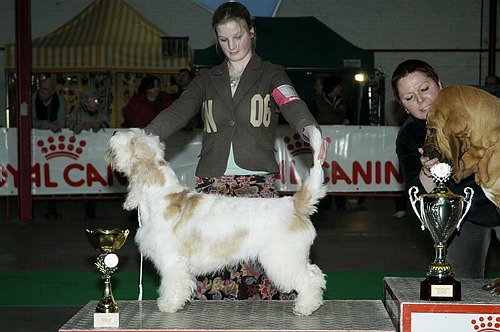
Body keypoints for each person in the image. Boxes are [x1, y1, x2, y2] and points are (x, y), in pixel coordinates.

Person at [144, 1, 328, 300]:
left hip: (257, 188)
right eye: (224, 39)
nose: (232, 45)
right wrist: (145, 137)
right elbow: (179, 111)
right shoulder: (206, 79)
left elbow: (291, 104)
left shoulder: (271, 74)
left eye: (238, 36)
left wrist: (310, 130)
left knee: (262, 277)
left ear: (251, 32)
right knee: (211, 278)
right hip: (211, 188)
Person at [392, 59, 500, 278]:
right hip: (465, 216)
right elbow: (415, 200)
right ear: (402, 105)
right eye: (409, 98)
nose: (421, 100)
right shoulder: (409, 135)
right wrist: (427, 170)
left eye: (425, 89)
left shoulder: (476, 99)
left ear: (439, 83)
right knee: (458, 284)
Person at [68, 89, 110, 219]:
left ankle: (93, 206)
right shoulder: (77, 112)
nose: (96, 103)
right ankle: (87, 205)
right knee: (83, 179)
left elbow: (106, 125)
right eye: (93, 100)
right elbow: (69, 124)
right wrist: (80, 126)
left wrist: (96, 124)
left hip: (96, 151)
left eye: (97, 100)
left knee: (94, 179)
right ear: (86, 102)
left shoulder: (101, 113)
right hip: (81, 153)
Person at [310, 75, 349, 210]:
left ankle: (340, 201)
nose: (341, 88)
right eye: (339, 85)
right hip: (323, 145)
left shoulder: (342, 101)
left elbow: (348, 118)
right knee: (323, 170)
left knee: (341, 170)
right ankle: (323, 202)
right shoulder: (317, 102)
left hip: (341, 146)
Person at [32, 77, 67, 220]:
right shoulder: (32, 99)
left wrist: (44, 125)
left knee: (52, 175)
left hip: (54, 146)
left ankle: (51, 208)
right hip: (36, 144)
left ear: (53, 91)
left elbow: (60, 123)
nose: (41, 91)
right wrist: (48, 125)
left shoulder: (61, 102)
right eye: (41, 87)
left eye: (45, 89)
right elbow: (29, 120)